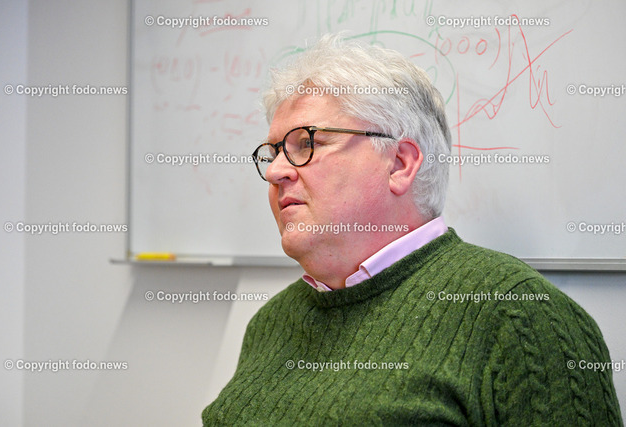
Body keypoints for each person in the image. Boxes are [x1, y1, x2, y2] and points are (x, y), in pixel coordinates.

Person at [202, 33, 622, 425]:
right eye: (274, 152)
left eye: (307, 143)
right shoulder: (272, 321)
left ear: (400, 164)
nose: (275, 171)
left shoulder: (520, 314)